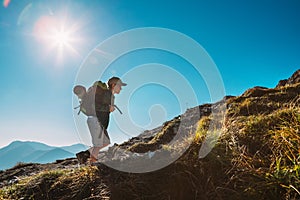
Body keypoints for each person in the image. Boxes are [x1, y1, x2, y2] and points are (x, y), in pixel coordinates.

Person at [76, 77, 127, 164]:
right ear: (113, 85)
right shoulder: (107, 94)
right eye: (119, 86)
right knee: (98, 145)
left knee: (106, 142)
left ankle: (84, 155)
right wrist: (108, 108)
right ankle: (92, 165)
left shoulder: (109, 95)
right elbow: (95, 106)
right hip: (95, 120)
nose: (121, 88)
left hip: (97, 121)